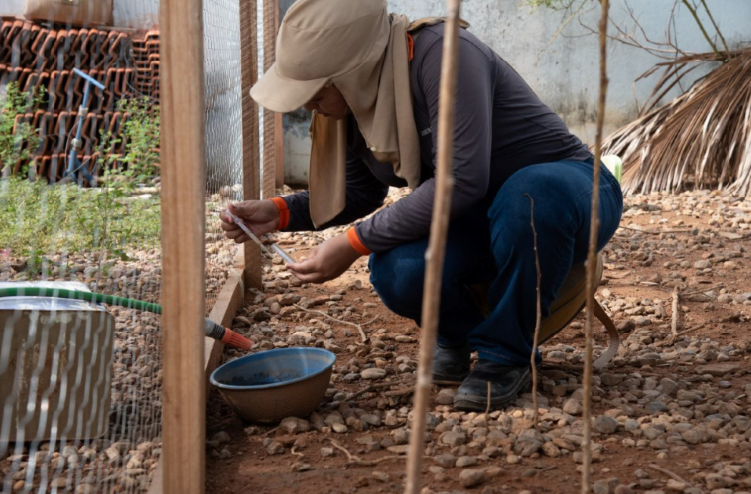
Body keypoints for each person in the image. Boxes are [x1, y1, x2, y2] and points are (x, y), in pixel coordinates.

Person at [220, 0, 623, 412]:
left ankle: (507, 354)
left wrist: (352, 243)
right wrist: (279, 212)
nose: (307, 106)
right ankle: (459, 334)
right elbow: (359, 194)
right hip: (482, 217)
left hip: (568, 194)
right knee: (397, 268)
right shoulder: (358, 102)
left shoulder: (445, 55)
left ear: (352, 72)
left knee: (530, 195)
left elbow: (459, 181)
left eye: (316, 91)